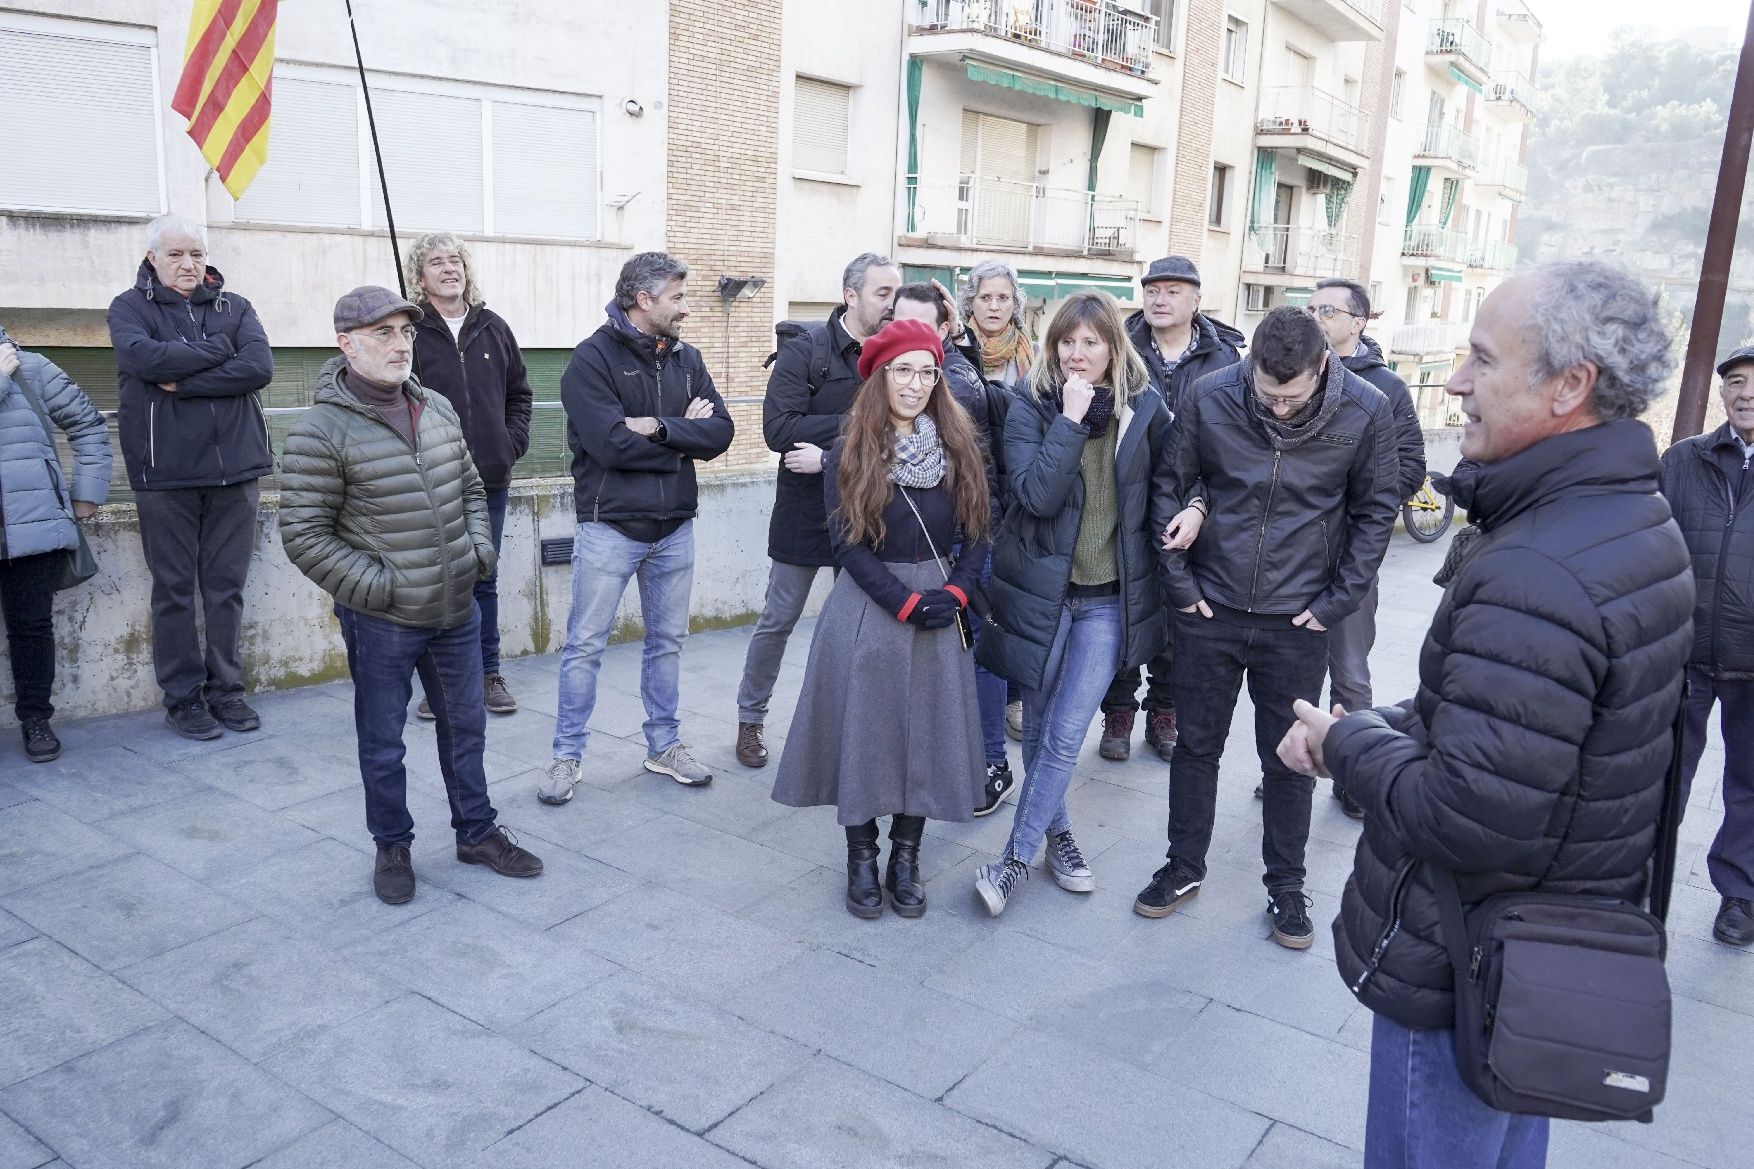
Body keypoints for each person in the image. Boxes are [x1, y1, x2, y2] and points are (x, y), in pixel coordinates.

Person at [1279, 262, 1692, 1167]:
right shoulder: (1628, 517)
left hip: (1466, 962)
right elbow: (1504, 724)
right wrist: (1368, 728)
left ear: (1569, 386)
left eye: (1481, 359)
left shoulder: (1540, 566)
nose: (1456, 382)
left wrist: (1346, 742)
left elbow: (1468, 814)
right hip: (1534, 960)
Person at [1135, 306, 1399, 949]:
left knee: (1289, 759)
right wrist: (1181, 585)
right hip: (1211, 608)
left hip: (1298, 617)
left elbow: (1374, 512)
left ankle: (1286, 884)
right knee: (1196, 746)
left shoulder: (1365, 410)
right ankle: (1183, 864)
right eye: (1267, 394)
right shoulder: (1210, 393)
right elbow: (1171, 482)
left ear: (1324, 367)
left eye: (1294, 396)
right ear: (1250, 366)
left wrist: (1336, 603)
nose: (1279, 409)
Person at [280, 286, 544, 905]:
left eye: (404, 332)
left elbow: (473, 490)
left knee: (466, 726)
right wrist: (381, 587)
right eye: (383, 334)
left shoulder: (438, 409)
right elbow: (304, 534)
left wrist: (479, 553)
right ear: (346, 345)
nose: (400, 345)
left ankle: (477, 832)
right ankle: (392, 845)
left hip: (456, 605)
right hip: (383, 619)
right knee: (383, 739)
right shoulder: (320, 431)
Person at [771, 318, 991, 917]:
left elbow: (977, 533)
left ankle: (906, 857)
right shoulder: (850, 451)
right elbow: (846, 547)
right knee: (867, 737)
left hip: (941, 604)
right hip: (871, 608)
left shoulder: (959, 447)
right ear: (879, 377)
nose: (916, 384)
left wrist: (958, 593)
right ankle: (861, 858)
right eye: (903, 371)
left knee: (925, 736)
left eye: (927, 371)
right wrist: (905, 602)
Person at [972, 292, 1176, 916]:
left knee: (1063, 735)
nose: (1077, 354)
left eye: (1090, 342)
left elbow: (1172, 486)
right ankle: (1058, 837)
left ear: (1115, 346)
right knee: (1035, 732)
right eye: (1066, 342)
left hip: (1107, 602)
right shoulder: (1029, 407)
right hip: (1044, 596)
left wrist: (1193, 511)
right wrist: (1070, 419)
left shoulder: (1147, 412)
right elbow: (1034, 496)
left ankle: (1011, 860)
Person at [538, 253, 734, 805]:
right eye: (677, 298)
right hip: (611, 529)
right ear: (643, 301)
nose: (687, 309)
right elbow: (608, 444)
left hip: (675, 529)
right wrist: (682, 436)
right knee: (584, 646)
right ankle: (566, 757)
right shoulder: (589, 361)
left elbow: (720, 433)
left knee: (667, 643)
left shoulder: (687, 358)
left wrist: (659, 429)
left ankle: (663, 746)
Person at [108, 214, 273, 741]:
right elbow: (143, 359)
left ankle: (227, 692)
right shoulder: (129, 308)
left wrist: (190, 379)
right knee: (175, 591)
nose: (189, 264)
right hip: (165, 474)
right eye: (177, 254)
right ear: (152, 258)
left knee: (226, 588)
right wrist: (218, 353)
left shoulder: (235, 306)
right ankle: (183, 700)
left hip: (236, 471)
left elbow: (260, 367)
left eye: (197, 254)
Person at [734, 252, 900, 768]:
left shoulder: (897, 353)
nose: (892, 302)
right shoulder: (805, 348)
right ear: (851, 296)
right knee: (778, 619)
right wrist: (864, 426)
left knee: (862, 626)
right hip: (805, 513)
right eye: (882, 293)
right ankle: (750, 720)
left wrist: (832, 446)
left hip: (869, 512)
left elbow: (904, 428)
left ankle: (855, 728)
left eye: (896, 292)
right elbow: (779, 431)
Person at [1099, 255, 1245, 763]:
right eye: (1153, 290)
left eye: (1173, 291)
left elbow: (1233, 440)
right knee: (1120, 604)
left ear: (1196, 299)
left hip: (1192, 501)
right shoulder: (1118, 347)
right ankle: (1117, 710)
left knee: (1180, 611)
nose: (1160, 300)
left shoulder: (1225, 358)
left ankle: (1165, 710)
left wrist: (1203, 499)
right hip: (1123, 495)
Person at [889, 283, 1015, 815]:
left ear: (943, 331)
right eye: (899, 326)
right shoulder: (903, 386)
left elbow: (973, 488)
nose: (909, 338)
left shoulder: (953, 384)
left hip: (963, 543)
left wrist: (964, 573)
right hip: (921, 547)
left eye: (923, 326)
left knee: (975, 649)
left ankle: (990, 762)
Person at [1306, 277, 1427, 817]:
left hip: (1351, 553)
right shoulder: (1291, 374)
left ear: (1359, 321)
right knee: (1292, 671)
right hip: (1289, 551)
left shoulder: (1386, 389)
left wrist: (1359, 504)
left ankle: (1352, 772)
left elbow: (1412, 467)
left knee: (1349, 670)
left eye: (1327, 311)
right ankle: (1294, 763)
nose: (1315, 318)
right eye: (1309, 309)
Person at [407, 232, 533, 719]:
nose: (448, 268)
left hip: (488, 480)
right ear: (421, 276)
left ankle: (488, 674)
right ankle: (439, 682)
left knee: (484, 575)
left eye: (455, 260)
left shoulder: (494, 328)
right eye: (436, 262)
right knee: (435, 580)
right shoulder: (412, 333)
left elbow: (520, 394)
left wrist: (510, 443)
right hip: (430, 479)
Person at [1660, 342, 1754, 946]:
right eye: (1736, 382)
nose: (1746, 393)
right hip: (1683, 655)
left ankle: (1740, 895)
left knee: (1750, 784)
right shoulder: (1683, 460)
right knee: (1664, 777)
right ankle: (1645, 885)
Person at [0, 326, 112, 762]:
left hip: (32, 525)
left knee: (31, 628)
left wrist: (87, 492)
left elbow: (87, 424)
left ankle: (35, 718)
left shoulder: (31, 367)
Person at [957, 259, 1032, 744]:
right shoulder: (955, 352)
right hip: (970, 491)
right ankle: (974, 706)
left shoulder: (1030, 356)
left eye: (1003, 297)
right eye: (985, 297)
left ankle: (1012, 700)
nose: (994, 305)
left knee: (1011, 605)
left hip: (1018, 492)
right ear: (970, 302)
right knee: (975, 602)